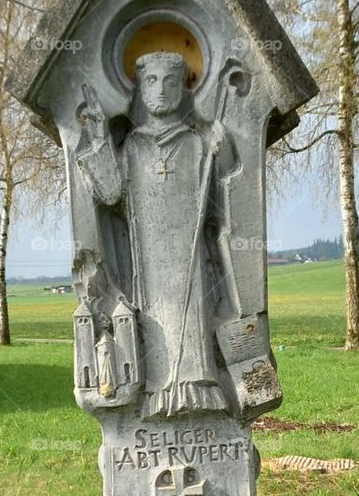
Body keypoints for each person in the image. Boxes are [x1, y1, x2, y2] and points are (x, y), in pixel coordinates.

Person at [73, 51, 238, 420]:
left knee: (193, 315)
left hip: (190, 250)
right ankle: (159, 393)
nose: (161, 89)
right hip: (146, 255)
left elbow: (222, 201)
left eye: (170, 81)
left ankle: (200, 392)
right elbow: (110, 193)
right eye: (151, 81)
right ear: (140, 90)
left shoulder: (195, 143)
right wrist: (98, 137)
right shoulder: (133, 146)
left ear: (183, 89)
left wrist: (222, 150)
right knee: (153, 318)